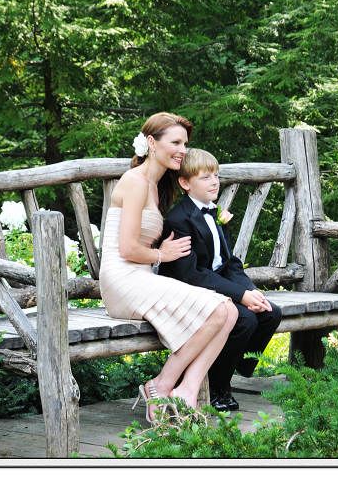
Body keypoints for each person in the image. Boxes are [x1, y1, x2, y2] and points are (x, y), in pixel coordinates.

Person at [98, 112, 239, 423]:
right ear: (152, 142)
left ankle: (187, 390)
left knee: (229, 311)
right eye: (175, 142)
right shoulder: (135, 182)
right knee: (219, 310)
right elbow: (127, 249)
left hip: (141, 277)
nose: (182, 150)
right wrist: (162, 254)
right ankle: (160, 385)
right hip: (122, 280)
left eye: (185, 144)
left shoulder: (157, 185)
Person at [158, 148, 282, 412]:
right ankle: (218, 387)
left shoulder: (216, 213)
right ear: (185, 183)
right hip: (188, 290)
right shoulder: (179, 219)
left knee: (270, 312)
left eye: (216, 175)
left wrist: (249, 290)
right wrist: (240, 296)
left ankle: (234, 364)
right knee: (245, 319)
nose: (214, 182)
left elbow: (229, 262)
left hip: (215, 284)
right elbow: (190, 274)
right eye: (205, 177)